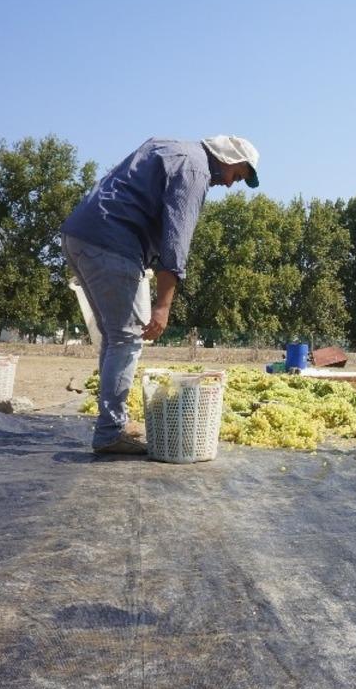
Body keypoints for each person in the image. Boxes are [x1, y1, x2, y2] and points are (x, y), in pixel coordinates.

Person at [61, 135, 259, 454]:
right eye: (238, 176)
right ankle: (110, 432)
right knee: (127, 339)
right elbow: (175, 240)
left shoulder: (169, 146)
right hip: (112, 243)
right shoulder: (196, 171)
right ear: (230, 158)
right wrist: (163, 305)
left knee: (116, 337)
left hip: (80, 235)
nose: (232, 184)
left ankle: (111, 425)